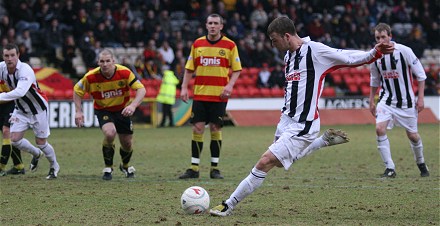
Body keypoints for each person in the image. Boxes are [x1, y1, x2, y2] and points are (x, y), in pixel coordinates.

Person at [209, 16, 394, 216]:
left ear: (286, 36)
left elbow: (347, 57)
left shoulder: (314, 50)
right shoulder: (289, 56)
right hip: (286, 120)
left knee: (265, 161)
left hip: (304, 124)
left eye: (274, 39)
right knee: (279, 162)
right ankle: (321, 142)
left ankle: (228, 204)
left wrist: (374, 53)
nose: (273, 44)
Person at [178, 13, 242, 179]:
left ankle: (214, 168)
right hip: (200, 94)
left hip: (219, 96)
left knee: (215, 128)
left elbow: (237, 69)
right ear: (206, 25)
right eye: (210, 23)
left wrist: (229, 85)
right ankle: (194, 168)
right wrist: (184, 87)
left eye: (216, 23)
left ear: (221, 26)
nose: (212, 26)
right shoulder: (197, 44)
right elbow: (189, 68)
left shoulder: (230, 45)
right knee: (197, 128)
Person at [73, 49, 146, 180]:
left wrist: (133, 105)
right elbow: (77, 91)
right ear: (98, 62)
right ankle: (108, 167)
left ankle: (125, 165)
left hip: (123, 110)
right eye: (102, 61)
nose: (105, 64)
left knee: (127, 143)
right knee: (110, 133)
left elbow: (141, 89)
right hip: (103, 109)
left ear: (113, 61)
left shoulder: (124, 72)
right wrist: (78, 111)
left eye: (108, 61)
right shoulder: (90, 77)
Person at [368, 23, 429, 178]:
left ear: (390, 36)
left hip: (406, 102)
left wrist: (420, 98)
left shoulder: (404, 51)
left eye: (383, 37)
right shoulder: (375, 55)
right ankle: (390, 168)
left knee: (413, 136)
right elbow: (374, 80)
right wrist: (371, 100)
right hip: (386, 100)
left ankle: (421, 163)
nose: (380, 40)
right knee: (379, 129)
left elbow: (421, 75)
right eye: (377, 38)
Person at [0, 43, 60, 180]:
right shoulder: (2, 68)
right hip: (20, 110)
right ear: (3, 56)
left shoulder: (25, 70)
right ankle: (36, 154)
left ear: (18, 55)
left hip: (38, 109)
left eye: (12, 55)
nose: (9, 59)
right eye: (6, 56)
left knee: (41, 142)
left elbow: (20, 92)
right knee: (14, 139)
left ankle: (54, 166)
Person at [0, 82, 24, 176]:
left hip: (10, 106)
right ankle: (18, 165)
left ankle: (1, 166)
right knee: (8, 137)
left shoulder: (6, 72)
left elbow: (16, 91)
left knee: (7, 132)